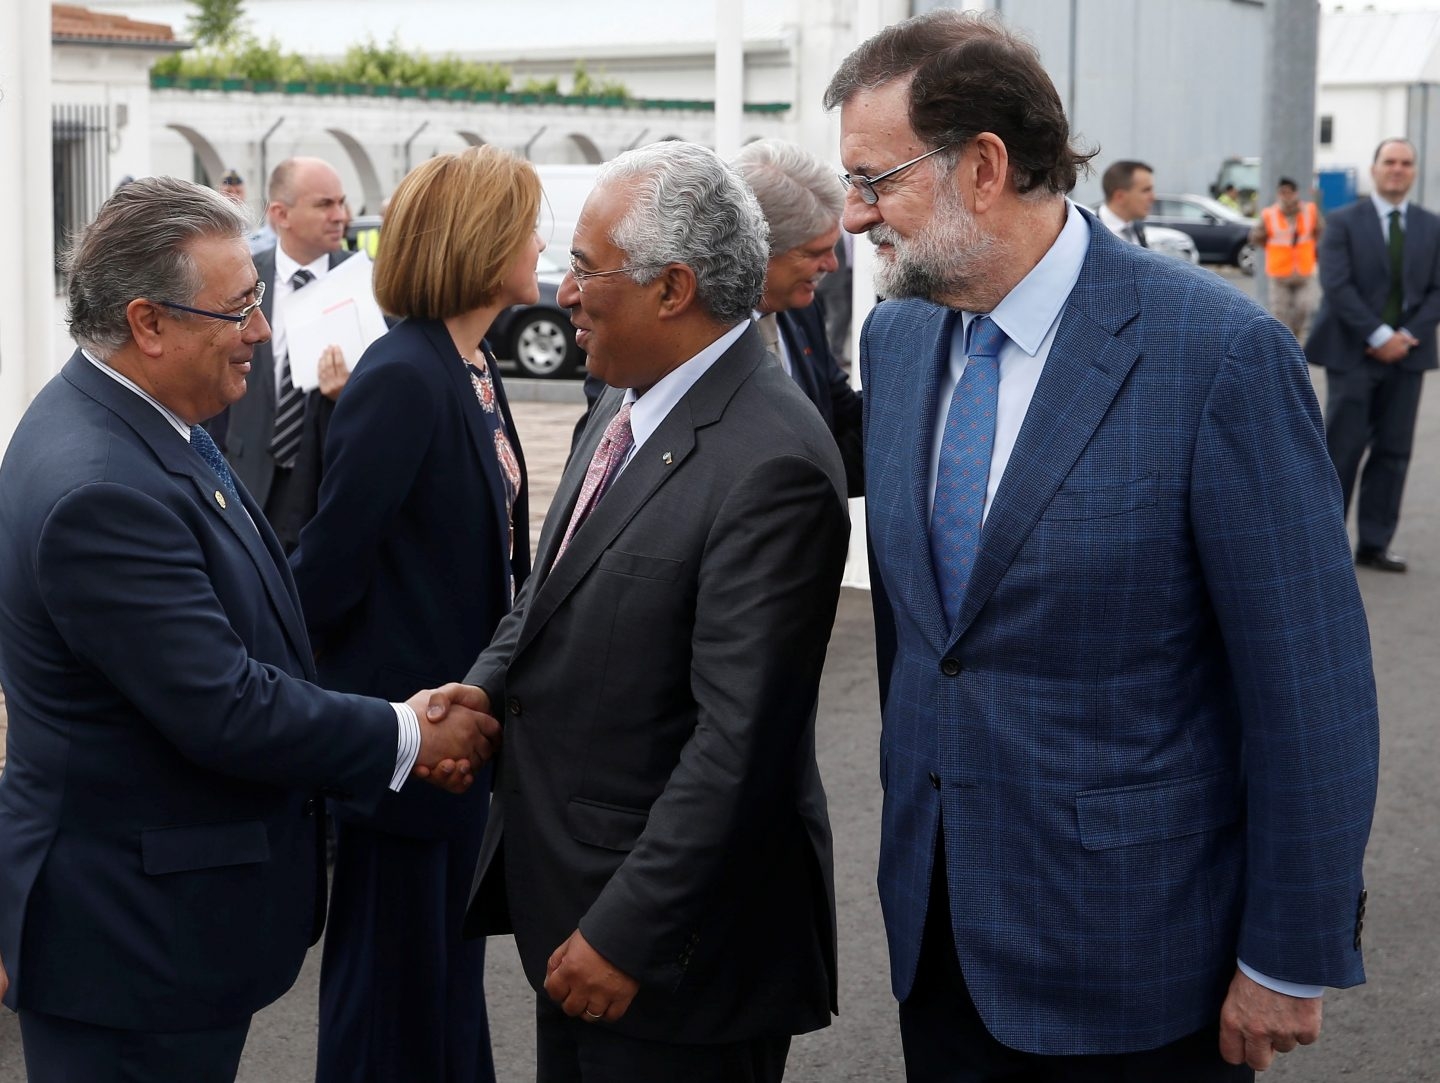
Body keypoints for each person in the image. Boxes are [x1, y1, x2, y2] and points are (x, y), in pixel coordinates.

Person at [826, 10, 1378, 1080]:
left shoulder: (1217, 358)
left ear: (983, 166)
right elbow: (925, 645)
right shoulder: (898, 341)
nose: (853, 217)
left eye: (874, 180)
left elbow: (1310, 688)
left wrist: (1290, 954)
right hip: (939, 943)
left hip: (1142, 964)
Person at [0, 176, 499, 1083]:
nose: (264, 332)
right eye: (238, 310)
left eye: (260, 301)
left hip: (162, 931)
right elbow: (224, 704)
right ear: (148, 323)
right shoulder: (102, 487)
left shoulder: (143, 425)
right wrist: (406, 731)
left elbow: (264, 631)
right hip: (130, 947)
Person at [461, 141, 850, 1083]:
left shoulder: (773, 463)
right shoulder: (628, 396)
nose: (562, 291)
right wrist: (475, 695)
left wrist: (628, 934)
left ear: (673, 288)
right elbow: (553, 589)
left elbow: (739, 743)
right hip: (581, 916)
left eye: (586, 268)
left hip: (673, 961)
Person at [292, 146, 539, 1083]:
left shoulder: (472, 365)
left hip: (460, 743)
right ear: (479, 241)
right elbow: (327, 568)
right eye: (523, 222)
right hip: (407, 751)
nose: (541, 241)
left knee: (439, 993)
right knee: (388, 1007)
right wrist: (375, 727)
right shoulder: (403, 374)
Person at [1305, 137, 1440, 573]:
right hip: (1353, 353)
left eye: (1405, 163)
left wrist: (1404, 336)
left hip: (1409, 355)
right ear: (1375, 168)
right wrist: (1378, 334)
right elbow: (1337, 286)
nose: (1397, 169)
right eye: (1390, 162)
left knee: (1394, 452)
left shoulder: (1431, 226)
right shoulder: (1343, 222)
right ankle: (1326, 545)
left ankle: (1374, 544)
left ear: (1414, 171)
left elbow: (1437, 291)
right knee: (1340, 451)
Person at [213, 156, 355, 551]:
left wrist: (350, 394)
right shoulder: (241, 278)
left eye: (341, 203)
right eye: (325, 204)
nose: (340, 215)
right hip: (250, 480)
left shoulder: (368, 284)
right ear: (281, 214)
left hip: (330, 485)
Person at [733, 138, 864, 495]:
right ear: (758, 250)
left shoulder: (800, 312)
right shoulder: (693, 337)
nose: (832, 265)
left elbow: (840, 423)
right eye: (815, 252)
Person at [1251, 177, 1324, 341]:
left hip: (1303, 270)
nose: (1286, 196)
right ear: (1279, 194)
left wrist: (1311, 248)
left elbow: (1319, 230)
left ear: (1296, 193)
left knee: (1305, 308)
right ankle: (1284, 344)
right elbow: (1256, 236)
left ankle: (1296, 338)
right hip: (1279, 272)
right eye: (1283, 192)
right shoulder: (1269, 214)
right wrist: (1270, 247)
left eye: (1289, 192)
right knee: (1280, 313)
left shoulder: (1310, 211)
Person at [1097, 159, 1154, 246]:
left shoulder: (1137, 228)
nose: (1153, 197)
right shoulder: (1089, 231)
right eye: (1146, 190)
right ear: (1119, 196)